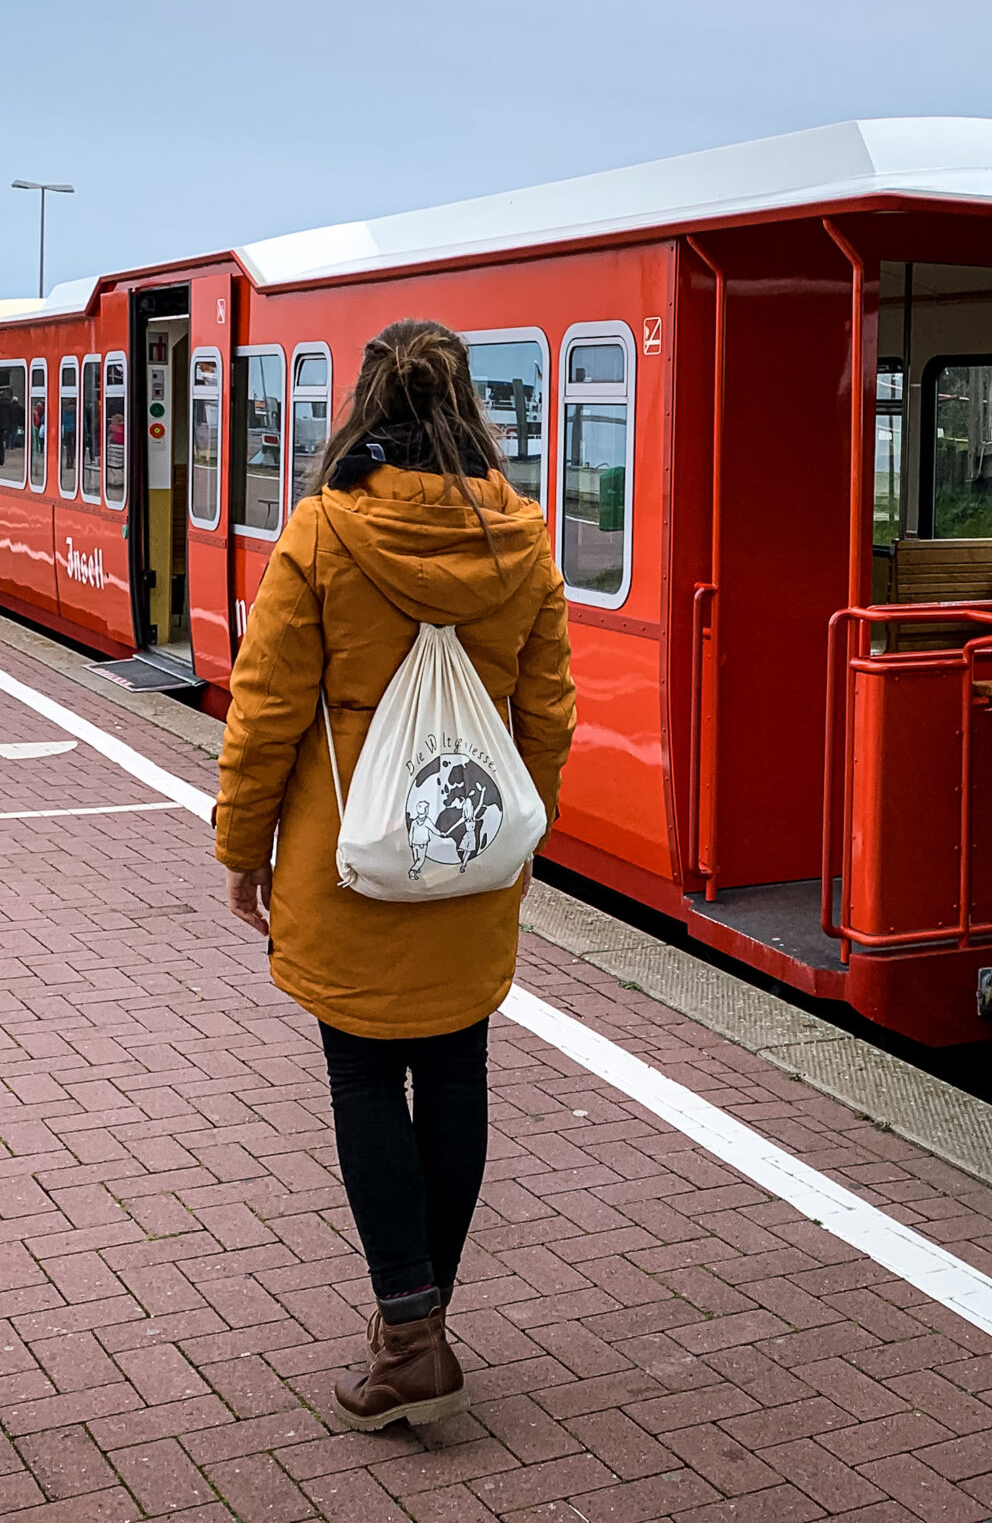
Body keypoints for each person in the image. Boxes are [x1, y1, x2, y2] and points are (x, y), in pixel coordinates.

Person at [215, 319, 576, 1432]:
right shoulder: (523, 542)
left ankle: (410, 1334)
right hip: (469, 862)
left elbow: (266, 708)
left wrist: (241, 848)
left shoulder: (321, 533)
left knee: (365, 1081)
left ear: (364, 406)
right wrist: (520, 834)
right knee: (455, 1073)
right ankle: (414, 1325)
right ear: (471, 407)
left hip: (349, 863)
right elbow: (547, 713)